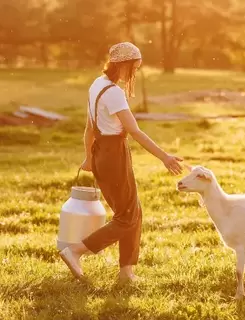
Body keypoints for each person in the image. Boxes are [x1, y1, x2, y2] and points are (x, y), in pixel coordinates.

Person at [59, 42, 183, 282]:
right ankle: (76, 251)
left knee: (132, 211)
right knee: (126, 217)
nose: (135, 73)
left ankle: (126, 272)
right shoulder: (114, 93)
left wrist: (89, 156)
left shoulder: (97, 85)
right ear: (124, 65)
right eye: (134, 68)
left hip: (101, 152)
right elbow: (134, 131)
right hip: (114, 153)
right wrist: (164, 157)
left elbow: (89, 128)